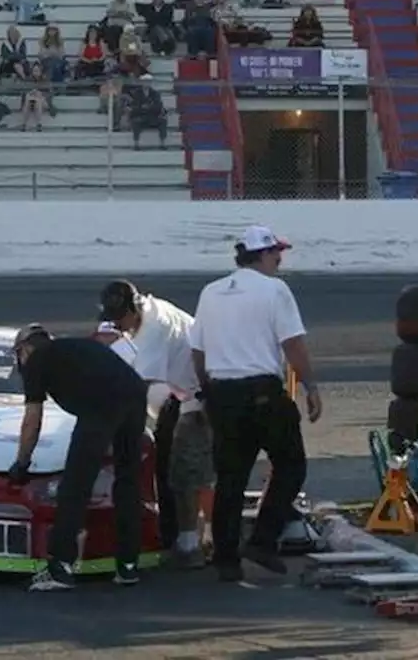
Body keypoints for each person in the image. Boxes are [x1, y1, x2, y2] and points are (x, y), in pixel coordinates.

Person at [189, 226, 321, 583]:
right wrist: (310, 386)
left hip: (222, 393)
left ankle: (226, 558)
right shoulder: (275, 290)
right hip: (262, 390)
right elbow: (293, 344)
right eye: (277, 252)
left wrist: (208, 391)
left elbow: (197, 351)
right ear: (262, 255)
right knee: (291, 465)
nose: (280, 259)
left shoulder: (211, 292)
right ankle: (262, 540)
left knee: (230, 478)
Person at [7, 323, 148, 592]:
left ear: (23, 349)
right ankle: (128, 565)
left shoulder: (37, 360)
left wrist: (22, 462)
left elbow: (32, 420)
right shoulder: (78, 347)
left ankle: (60, 566)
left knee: (75, 485)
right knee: (128, 482)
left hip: (100, 406)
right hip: (134, 395)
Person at [99, 280, 212, 570]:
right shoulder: (148, 313)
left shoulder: (154, 328)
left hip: (198, 396)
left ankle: (192, 543)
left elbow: (138, 382)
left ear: (135, 308)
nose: (119, 327)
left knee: (186, 470)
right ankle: (197, 532)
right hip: (180, 392)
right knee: (182, 467)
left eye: (121, 319)